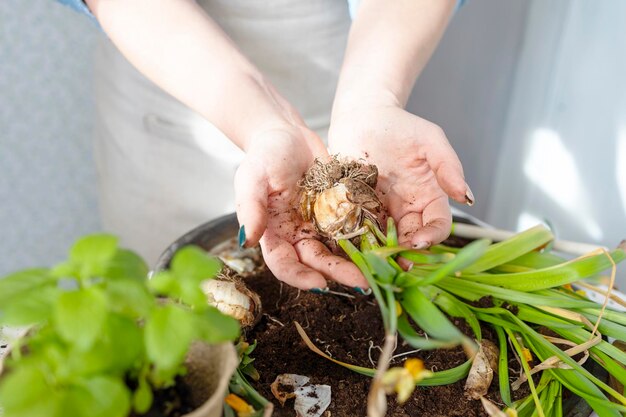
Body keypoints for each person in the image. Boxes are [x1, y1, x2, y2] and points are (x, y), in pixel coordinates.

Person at [56, 0, 473, 291]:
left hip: (357, 61)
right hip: (172, 70)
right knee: (167, 306)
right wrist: (262, 123)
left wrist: (371, 99)